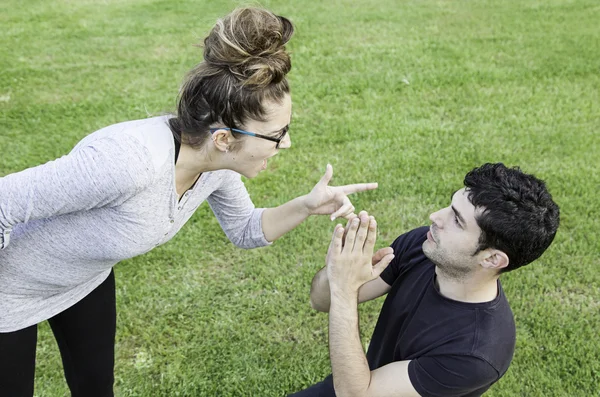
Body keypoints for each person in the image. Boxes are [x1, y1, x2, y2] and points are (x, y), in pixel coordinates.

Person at [0, 7, 377, 397]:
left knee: (96, 387)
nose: (286, 144)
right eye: (276, 135)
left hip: (85, 280)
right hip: (9, 292)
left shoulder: (215, 166)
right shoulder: (128, 162)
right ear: (224, 139)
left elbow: (246, 229)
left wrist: (307, 205)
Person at [290, 163, 560, 397]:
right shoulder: (425, 246)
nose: (435, 217)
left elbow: (356, 393)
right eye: (450, 206)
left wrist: (344, 291)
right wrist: (338, 273)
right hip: (356, 381)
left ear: (491, 259)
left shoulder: (476, 353)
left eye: (457, 220)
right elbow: (321, 301)